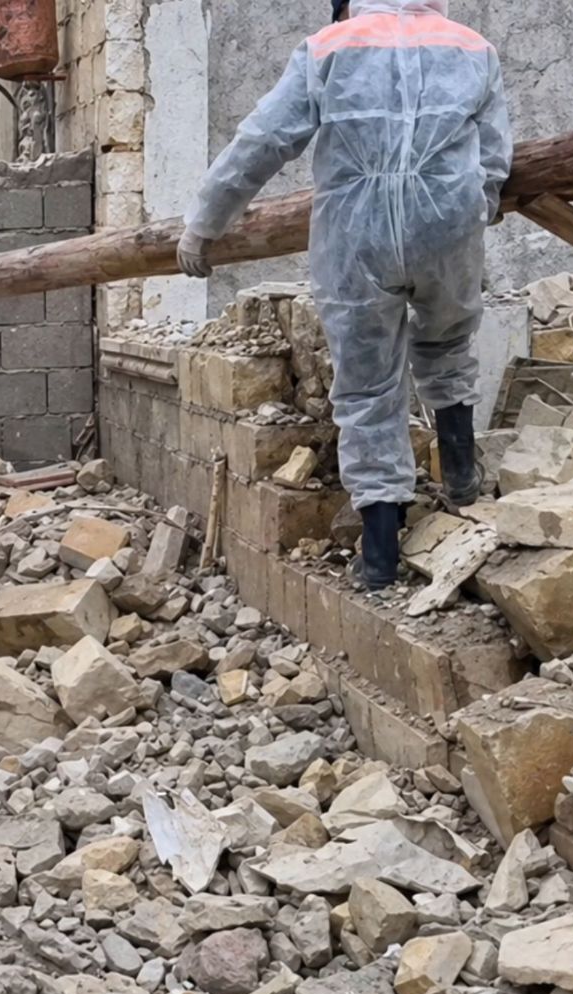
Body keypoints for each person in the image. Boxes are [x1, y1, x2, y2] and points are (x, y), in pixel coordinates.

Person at [178, 0, 511, 590]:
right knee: (449, 342)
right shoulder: (472, 48)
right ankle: (462, 479)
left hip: (358, 236)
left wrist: (205, 222)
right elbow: (493, 157)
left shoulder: (329, 47)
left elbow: (263, 139)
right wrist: (471, 210)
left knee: (366, 387)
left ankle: (380, 553)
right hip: (448, 228)